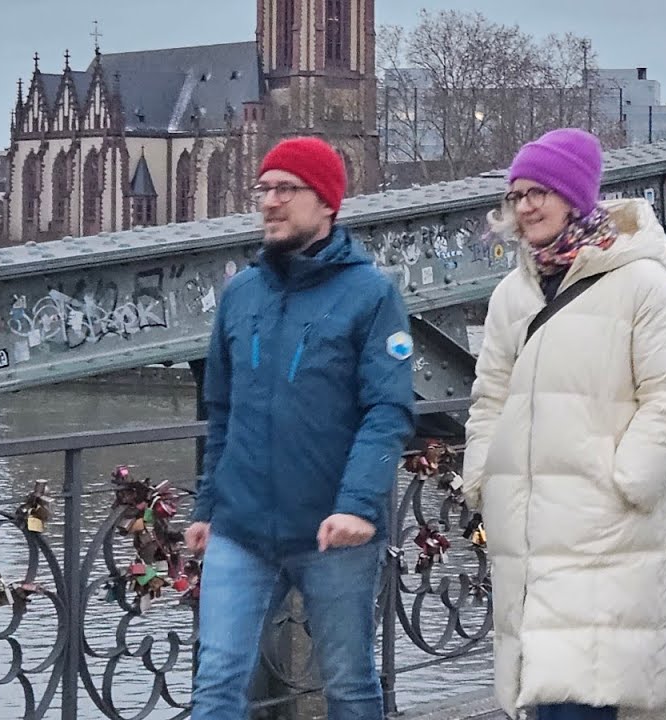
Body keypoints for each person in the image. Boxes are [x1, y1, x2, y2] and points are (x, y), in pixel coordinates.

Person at [460, 128, 666, 720]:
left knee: (577, 700)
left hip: (603, 532)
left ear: (576, 196)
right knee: (547, 698)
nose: (525, 207)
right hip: (529, 530)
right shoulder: (511, 295)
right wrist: (480, 476)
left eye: (540, 191)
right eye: (516, 195)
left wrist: (625, 484)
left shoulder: (643, 285)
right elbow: (488, 398)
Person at [186, 136, 416, 719]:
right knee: (215, 686)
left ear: (328, 203)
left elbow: (387, 410)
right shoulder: (240, 294)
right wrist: (207, 508)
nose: (269, 202)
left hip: (330, 528)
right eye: (263, 190)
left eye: (286, 189)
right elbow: (221, 410)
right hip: (241, 529)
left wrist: (360, 507)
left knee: (349, 684)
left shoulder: (370, 295)